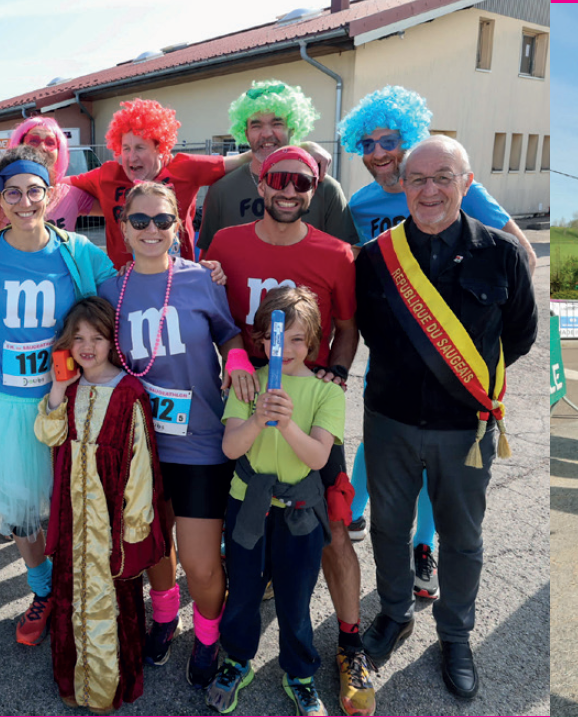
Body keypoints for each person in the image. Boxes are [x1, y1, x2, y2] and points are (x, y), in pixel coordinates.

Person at [355, 136, 537, 699]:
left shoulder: (501, 252)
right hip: (390, 420)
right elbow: (366, 330)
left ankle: (455, 635)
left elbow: (521, 336)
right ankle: (393, 613)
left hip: (467, 426)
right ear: (402, 187)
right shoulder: (376, 258)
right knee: (387, 528)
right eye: (417, 179)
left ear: (466, 181)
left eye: (443, 177)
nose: (429, 190)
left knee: (461, 537)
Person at [201, 146, 374, 714]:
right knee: (243, 563)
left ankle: (342, 647)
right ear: (260, 177)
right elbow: (214, 313)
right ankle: (236, 652)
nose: (289, 190)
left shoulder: (336, 252)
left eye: (301, 181)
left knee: (331, 536)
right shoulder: (225, 242)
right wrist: (238, 366)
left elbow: (346, 328)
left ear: (316, 186)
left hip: (309, 411)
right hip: (246, 400)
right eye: (278, 178)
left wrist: (336, 376)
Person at [0, 146, 119, 647]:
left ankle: (76, 586)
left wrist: (194, 271)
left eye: (34, 191)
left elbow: (129, 295)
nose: (24, 202)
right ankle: (42, 590)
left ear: (51, 194)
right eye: (13, 192)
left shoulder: (79, 252)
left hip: (69, 399)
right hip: (3, 405)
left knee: (72, 502)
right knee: (22, 512)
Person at [96, 180, 256, 690]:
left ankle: (208, 638)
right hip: (138, 445)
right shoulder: (107, 290)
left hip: (198, 442)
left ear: (177, 228)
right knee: (150, 543)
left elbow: (228, 329)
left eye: (162, 221)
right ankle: (165, 617)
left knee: (200, 559)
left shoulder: (199, 279)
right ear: (123, 227)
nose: (150, 230)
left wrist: (233, 352)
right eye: (139, 221)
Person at [207, 286, 346, 716]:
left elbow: (319, 457)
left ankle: (300, 673)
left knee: (295, 595)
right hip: (248, 504)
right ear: (261, 340)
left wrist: (285, 424)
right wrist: (256, 418)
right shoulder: (248, 384)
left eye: (297, 339)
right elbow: (231, 449)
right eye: (275, 338)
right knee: (244, 589)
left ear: (314, 342)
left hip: (299, 512)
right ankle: (237, 660)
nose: (284, 348)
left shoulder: (327, 393)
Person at [36, 296, 172, 711]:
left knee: (112, 597)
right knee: (69, 591)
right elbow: (49, 435)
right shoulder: (70, 388)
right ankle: (73, 676)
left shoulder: (129, 392)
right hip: (72, 515)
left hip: (112, 519)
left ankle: (108, 684)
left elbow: (141, 464)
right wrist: (57, 388)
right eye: (77, 338)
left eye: (96, 337)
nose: (87, 346)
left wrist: (134, 527)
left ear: (112, 341)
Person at [338, 86, 537, 266]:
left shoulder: (458, 190)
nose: (378, 154)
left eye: (389, 142)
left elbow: (524, 257)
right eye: (368, 145)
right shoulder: (359, 205)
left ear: (409, 141)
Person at [65, 99, 264, 265]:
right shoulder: (107, 176)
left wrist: (271, 146)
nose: (131, 157)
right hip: (123, 283)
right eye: (126, 148)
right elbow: (58, 185)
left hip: (176, 280)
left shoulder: (186, 168)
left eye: (140, 148)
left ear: (160, 148)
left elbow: (240, 160)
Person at [197, 80, 357, 251]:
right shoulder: (221, 191)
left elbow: (346, 258)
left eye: (277, 124)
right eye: (256, 125)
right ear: (246, 133)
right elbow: (209, 262)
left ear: (292, 130)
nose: (266, 134)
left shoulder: (326, 189)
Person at [0, 117, 101, 233]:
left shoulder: (71, 194)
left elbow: (112, 207)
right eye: (34, 141)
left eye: (50, 142)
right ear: (19, 145)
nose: (42, 147)